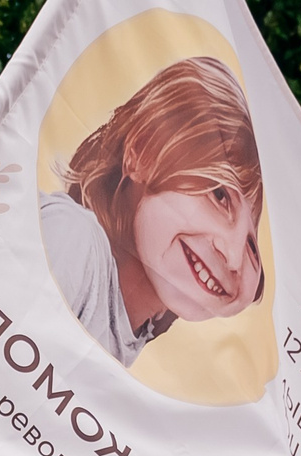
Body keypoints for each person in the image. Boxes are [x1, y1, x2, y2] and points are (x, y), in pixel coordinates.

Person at [39, 55, 266, 367]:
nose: (234, 256)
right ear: (142, 153)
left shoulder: (136, 337)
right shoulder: (73, 239)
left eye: (253, 246)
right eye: (219, 195)